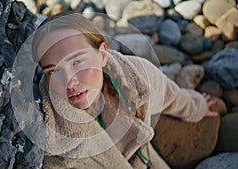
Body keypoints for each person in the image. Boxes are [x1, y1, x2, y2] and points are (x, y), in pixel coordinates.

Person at [32, 11, 218, 169]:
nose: (69, 83)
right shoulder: (53, 139)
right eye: (54, 71)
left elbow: (170, 95)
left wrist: (197, 107)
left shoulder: (136, 75)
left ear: (102, 54)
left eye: (78, 62)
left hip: (141, 151)